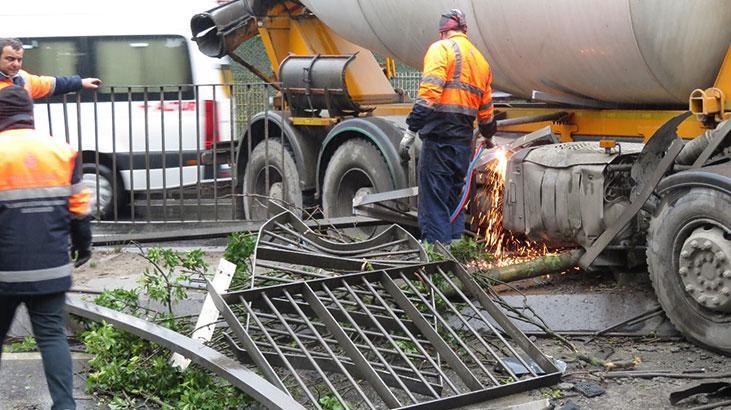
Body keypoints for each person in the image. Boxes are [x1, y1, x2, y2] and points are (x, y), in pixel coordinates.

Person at [0, 85, 92, 410]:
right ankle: (65, 406)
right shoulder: (62, 151)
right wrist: (84, 247)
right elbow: (80, 209)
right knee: (52, 336)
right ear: (30, 111)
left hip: (3, 271)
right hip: (51, 266)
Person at [401, 9, 496, 244]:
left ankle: (437, 262)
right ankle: (456, 254)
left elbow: (428, 95)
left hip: (439, 140)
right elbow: (486, 111)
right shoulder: (481, 61)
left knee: (434, 203)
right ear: (464, 31)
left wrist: (411, 130)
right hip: (463, 144)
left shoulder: (441, 49)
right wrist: (488, 135)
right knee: (454, 200)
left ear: (443, 32)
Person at [0, 37, 101, 98]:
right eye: (10, 59)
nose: (16, 64)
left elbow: (49, 84)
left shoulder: (22, 78)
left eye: (19, 59)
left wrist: (80, 82)